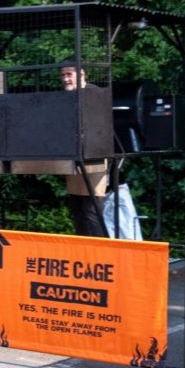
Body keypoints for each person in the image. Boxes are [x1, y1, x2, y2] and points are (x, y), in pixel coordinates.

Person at [59, 59, 108, 236]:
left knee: (92, 210)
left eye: (69, 74)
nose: (65, 79)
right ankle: (83, 252)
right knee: (77, 208)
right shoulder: (66, 97)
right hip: (74, 158)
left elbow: (99, 128)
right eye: (63, 75)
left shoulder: (94, 93)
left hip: (94, 158)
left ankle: (99, 254)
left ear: (81, 74)